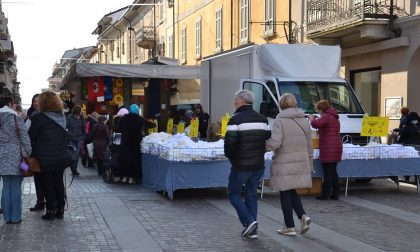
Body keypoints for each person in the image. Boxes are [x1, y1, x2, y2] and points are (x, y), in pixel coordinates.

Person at [224, 90, 270, 239]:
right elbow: (267, 137)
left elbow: (229, 144)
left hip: (241, 164)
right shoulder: (263, 120)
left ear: (242, 101)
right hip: (258, 164)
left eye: (236, 99)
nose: (234, 102)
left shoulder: (235, 120)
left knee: (233, 193)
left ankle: (249, 221)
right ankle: (252, 231)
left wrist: (233, 158)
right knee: (251, 195)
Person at [266, 93, 313, 236]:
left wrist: (262, 145)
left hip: (285, 162)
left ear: (281, 104)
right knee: (290, 189)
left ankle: (290, 226)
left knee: (284, 192)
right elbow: (309, 144)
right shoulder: (304, 120)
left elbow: (275, 143)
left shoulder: (279, 121)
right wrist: (310, 162)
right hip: (301, 160)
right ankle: (303, 216)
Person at [29, 91, 70, 220]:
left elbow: (31, 137)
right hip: (61, 156)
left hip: (45, 157)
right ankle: (60, 209)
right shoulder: (62, 117)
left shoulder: (38, 118)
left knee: (47, 184)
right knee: (58, 182)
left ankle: (51, 210)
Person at [0, 97, 32, 224]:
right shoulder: (16, 118)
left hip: (1, 157)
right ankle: (15, 217)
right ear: (9, 104)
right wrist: (29, 153)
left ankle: (7, 217)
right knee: (16, 187)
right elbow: (24, 138)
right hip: (17, 157)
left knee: (6, 185)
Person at [309, 100, 343, 200]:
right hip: (336, 146)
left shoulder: (327, 117)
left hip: (329, 148)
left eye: (318, 110)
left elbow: (315, 124)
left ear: (321, 109)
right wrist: (318, 119)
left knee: (327, 172)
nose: (318, 112)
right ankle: (336, 193)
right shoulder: (333, 117)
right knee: (333, 172)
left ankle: (325, 194)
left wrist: (311, 118)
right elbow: (323, 124)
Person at [119, 104, 155, 184]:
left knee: (124, 159)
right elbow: (150, 125)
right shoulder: (139, 119)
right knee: (134, 160)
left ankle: (124, 177)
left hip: (125, 143)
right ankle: (132, 178)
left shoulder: (123, 118)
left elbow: (117, 128)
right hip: (135, 143)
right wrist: (153, 123)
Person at [25, 94, 46, 212]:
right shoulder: (30, 117)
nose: (36, 103)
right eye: (34, 101)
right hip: (35, 152)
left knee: (47, 178)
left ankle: (49, 201)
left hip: (47, 152)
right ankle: (40, 201)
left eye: (38, 101)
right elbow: (25, 133)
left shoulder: (49, 115)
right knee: (38, 177)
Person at [66, 105, 86, 176]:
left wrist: (83, 137)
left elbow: (84, 127)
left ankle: (74, 170)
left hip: (79, 138)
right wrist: (69, 134)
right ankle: (72, 168)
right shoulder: (69, 117)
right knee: (72, 154)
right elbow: (66, 127)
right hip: (71, 138)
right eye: (80, 111)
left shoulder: (81, 118)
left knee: (76, 154)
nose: (80, 113)